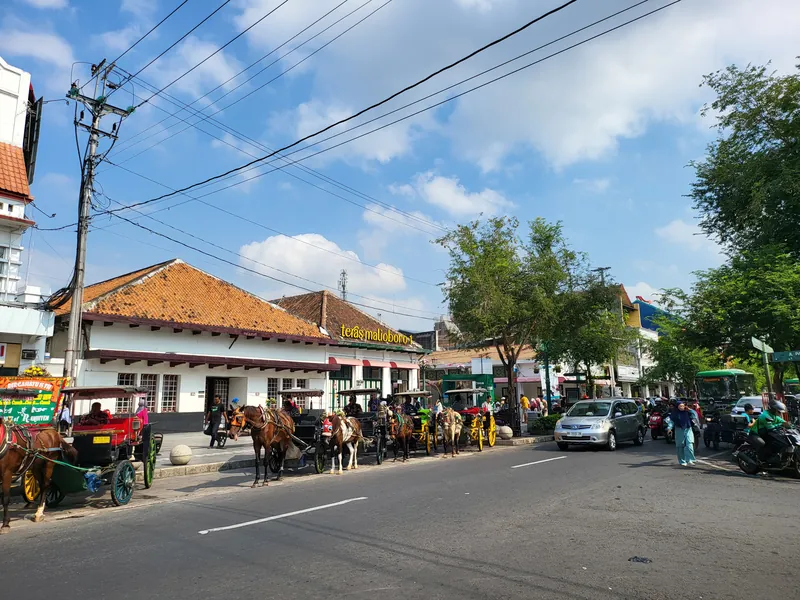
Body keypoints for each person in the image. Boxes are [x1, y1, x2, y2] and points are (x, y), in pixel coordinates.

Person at [753, 400, 790, 464]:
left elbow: (784, 422)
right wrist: (780, 425)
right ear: (773, 409)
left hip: (767, 433)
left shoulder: (774, 416)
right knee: (763, 443)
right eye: (778, 411)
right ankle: (762, 459)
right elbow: (770, 428)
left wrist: (791, 426)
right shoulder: (765, 416)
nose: (780, 413)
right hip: (757, 434)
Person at [670, 399, 697, 466]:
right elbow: (671, 421)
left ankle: (690, 459)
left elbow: (695, 415)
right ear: (677, 407)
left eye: (683, 406)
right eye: (680, 406)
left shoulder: (688, 412)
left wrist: (689, 410)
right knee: (680, 446)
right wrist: (669, 428)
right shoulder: (674, 414)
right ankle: (682, 461)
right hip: (679, 430)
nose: (682, 407)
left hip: (688, 429)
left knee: (690, 444)